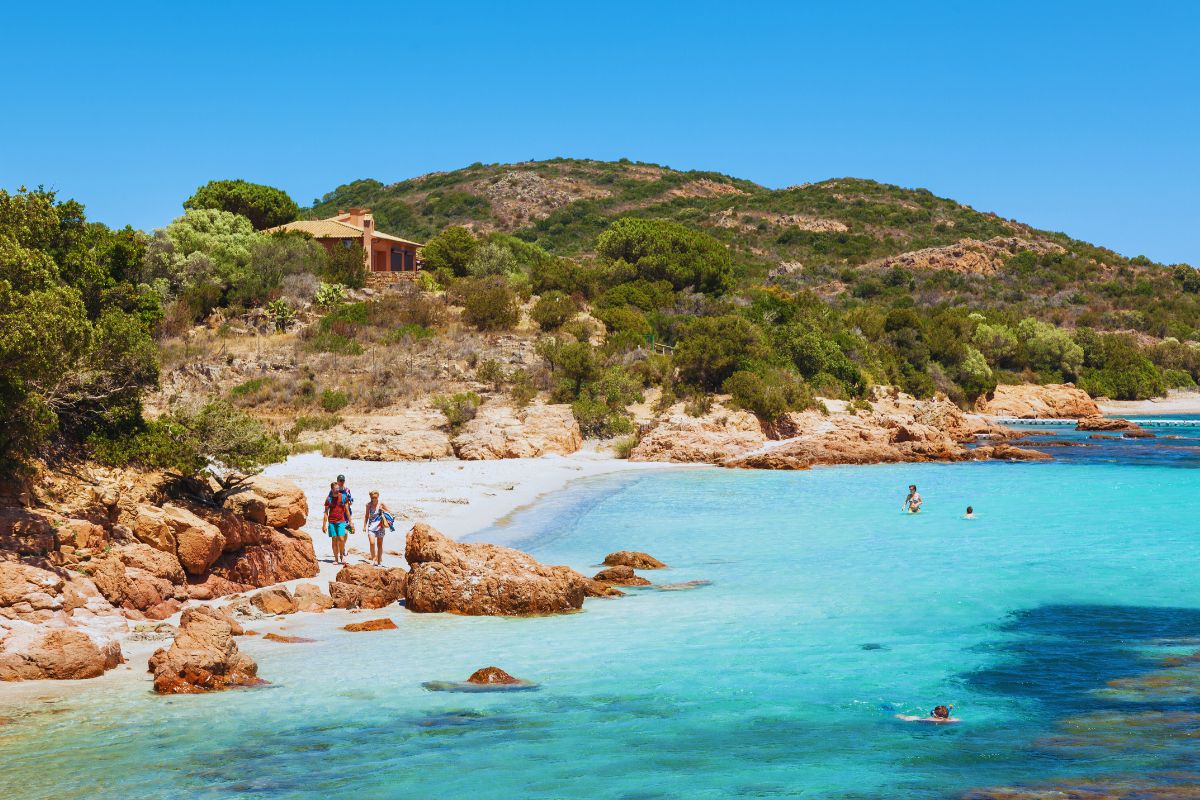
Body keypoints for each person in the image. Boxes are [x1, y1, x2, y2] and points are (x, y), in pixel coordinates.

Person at [322, 480, 352, 565]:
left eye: (338, 488)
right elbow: (325, 513)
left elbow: (347, 511)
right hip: (331, 522)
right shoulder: (329, 499)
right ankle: (336, 558)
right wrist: (324, 525)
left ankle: (342, 556)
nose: (337, 489)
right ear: (332, 489)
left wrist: (350, 522)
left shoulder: (343, 497)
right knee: (334, 539)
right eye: (335, 488)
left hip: (341, 521)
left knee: (341, 539)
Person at [362, 490, 395, 566]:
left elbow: (390, 512)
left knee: (379, 545)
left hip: (380, 526)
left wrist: (382, 509)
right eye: (373, 497)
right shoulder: (368, 505)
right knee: (372, 542)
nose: (374, 499)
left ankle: (379, 561)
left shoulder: (381, 504)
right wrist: (364, 526)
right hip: (371, 526)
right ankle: (373, 559)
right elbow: (366, 515)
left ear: (378, 496)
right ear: (371, 497)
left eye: (375, 497)